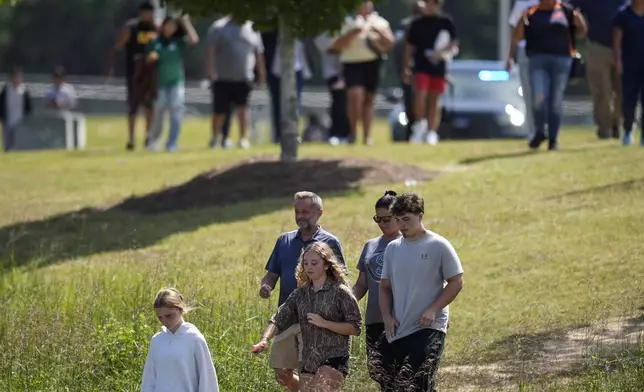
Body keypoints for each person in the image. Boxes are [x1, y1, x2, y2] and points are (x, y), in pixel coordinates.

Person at [258, 191, 347, 391]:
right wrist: (266, 286)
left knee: (307, 372)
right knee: (282, 374)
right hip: (287, 317)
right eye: (297, 211)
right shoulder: (284, 241)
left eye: (306, 212)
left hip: (316, 321)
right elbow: (272, 274)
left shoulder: (330, 242)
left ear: (319, 212)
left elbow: (340, 278)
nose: (300, 216)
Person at [379, 192, 464, 392]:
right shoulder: (392, 249)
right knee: (392, 385)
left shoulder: (438, 245)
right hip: (398, 327)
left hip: (429, 326)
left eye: (406, 219)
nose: (401, 225)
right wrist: (386, 317)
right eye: (397, 220)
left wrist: (433, 309)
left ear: (421, 215)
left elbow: (456, 281)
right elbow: (384, 286)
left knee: (421, 383)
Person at [253, 242, 362, 392]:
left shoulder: (341, 292)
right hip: (308, 359)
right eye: (306, 263)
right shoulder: (300, 294)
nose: (309, 267)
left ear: (326, 265)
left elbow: (355, 328)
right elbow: (278, 318)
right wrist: (264, 340)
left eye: (314, 263)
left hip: (335, 356)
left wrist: (325, 323)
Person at [506, 0, 587, 151]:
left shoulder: (566, 11)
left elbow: (580, 33)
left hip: (562, 61)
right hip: (537, 61)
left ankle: (553, 139)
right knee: (539, 97)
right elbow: (518, 37)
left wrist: (580, 23)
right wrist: (511, 54)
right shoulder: (531, 12)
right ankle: (539, 131)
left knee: (555, 101)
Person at [351, 190, 400, 389]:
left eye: (387, 218)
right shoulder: (370, 245)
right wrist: (345, 301)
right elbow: (362, 284)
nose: (383, 223)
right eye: (378, 219)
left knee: (406, 375)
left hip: (402, 318)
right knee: (380, 373)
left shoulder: (409, 243)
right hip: (374, 319)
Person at [330, 1, 394, 145]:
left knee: (369, 100)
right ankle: (353, 131)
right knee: (355, 96)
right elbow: (336, 46)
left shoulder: (379, 22)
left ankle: (367, 136)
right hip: (352, 63)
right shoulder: (347, 22)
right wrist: (354, 32)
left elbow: (390, 42)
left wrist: (377, 32)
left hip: (373, 63)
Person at [141, 287, 219, 392]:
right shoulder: (157, 341)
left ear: (180, 308)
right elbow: (149, 380)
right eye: (160, 317)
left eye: (168, 315)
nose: (164, 321)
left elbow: (207, 378)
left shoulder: (194, 339)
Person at [403, 0, 459, 145]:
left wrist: (439, 52)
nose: (429, 6)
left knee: (435, 100)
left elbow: (453, 42)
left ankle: (431, 131)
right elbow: (409, 47)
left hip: (439, 67)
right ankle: (419, 125)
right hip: (421, 66)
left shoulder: (445, 21)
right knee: (420, 94)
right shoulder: (416, 24)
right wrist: (406, 67)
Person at [206, 15, 265, 150]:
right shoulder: (218, 27)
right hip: (223, 77)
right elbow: (210, 50)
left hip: (244, 77)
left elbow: (258, 53)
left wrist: (261, 74)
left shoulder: (252, 28)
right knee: (219, 111)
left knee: (243, 109)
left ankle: (243, 138)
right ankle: (215, 137)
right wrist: (210, 71)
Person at [571, 0, 627, 140]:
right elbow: (569, 5)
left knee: (624, 91)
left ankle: (617, 121)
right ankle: (604, 130)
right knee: (602, 91)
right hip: (597, 46)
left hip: (626, 48)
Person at [107, 1, 159, 151]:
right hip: (134, 72)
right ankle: (131, 138)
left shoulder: (155, 28)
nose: (148, 15)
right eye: (146, 12)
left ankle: (148, 136)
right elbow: (118, 47)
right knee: (133, 106)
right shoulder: (131, 27)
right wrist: (111, 68)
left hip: (151, 73)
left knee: (150, 106)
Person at [146, 15, 199, 152]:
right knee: (159, 111)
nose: (171, 28)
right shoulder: (156, 41)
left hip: (176, 82)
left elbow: (194, 40)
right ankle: (154, 140)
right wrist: (152, 57)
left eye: (173, 25)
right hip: (160, 83)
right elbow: (148, 57)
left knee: (176, 111)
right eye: (168, 25)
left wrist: (186, 22)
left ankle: (172, 143)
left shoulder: (178, 42)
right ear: (163, 26)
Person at [392, 1, 426, 141]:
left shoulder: (431, 25)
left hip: (425, 68)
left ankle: (425, 131)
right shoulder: (405, 25)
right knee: (410, 102)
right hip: (410, 69)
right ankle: (411, 131)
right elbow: (398, 45)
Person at [613, 0, 644, 146]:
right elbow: (617, 41)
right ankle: (628, 131)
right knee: (629, 100)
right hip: (630, 63)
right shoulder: (623, 14)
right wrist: (618, 61)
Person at [508, 0, 540, 139]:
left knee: (546, 93)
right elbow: (515, 32)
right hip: (526, 51)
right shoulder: (522, 3)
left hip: (549, 50)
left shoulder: (554, 2)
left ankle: (548, 128)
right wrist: (510, 56)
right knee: (529, 93)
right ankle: (533, 131)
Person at [314, 32, 351, 145]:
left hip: (349, 72)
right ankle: (336, 133)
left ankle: (347, 133)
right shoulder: (322, 34)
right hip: (333, 74)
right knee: (338, 103)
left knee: (348, 104)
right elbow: (332, 49)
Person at [0, 67, 32, 152]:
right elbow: (1, 105)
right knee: (7, 144)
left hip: (20, 123)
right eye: (14, 76)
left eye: (18, 76)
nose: (16, 78)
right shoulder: (6, 90)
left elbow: (28, 108)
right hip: (7, 122)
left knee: (17, 145)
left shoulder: (24, 91)